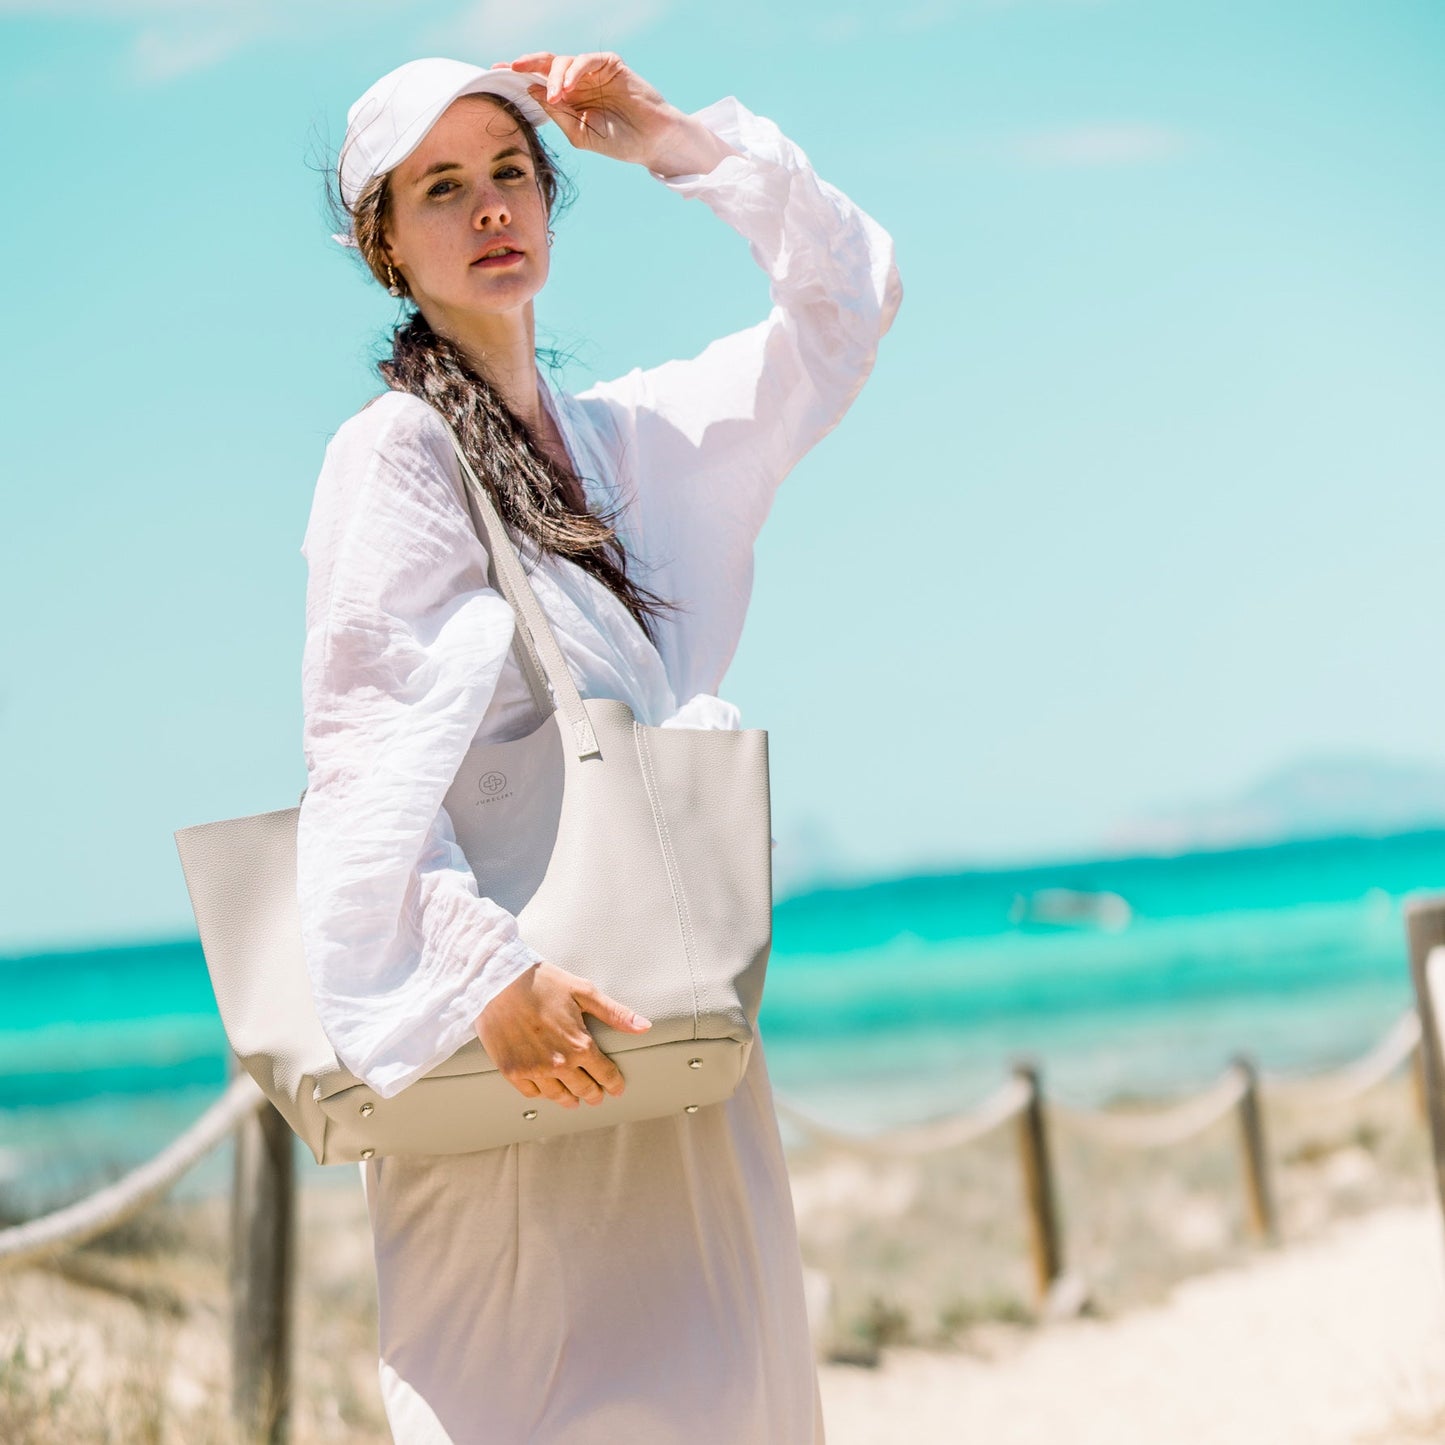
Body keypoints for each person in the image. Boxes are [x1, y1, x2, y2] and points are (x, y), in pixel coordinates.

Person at [297, 49, 902, 1444]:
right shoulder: (391, 453)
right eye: (441, 187)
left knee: (722, 1397)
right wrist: (478, 969)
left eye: (511, 173)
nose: (489, 208)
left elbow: (844, 307)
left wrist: (674, 142)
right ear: (385, 240)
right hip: (513, 1035)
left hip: (664, 1026)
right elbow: (365, 750)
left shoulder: (621, 442)